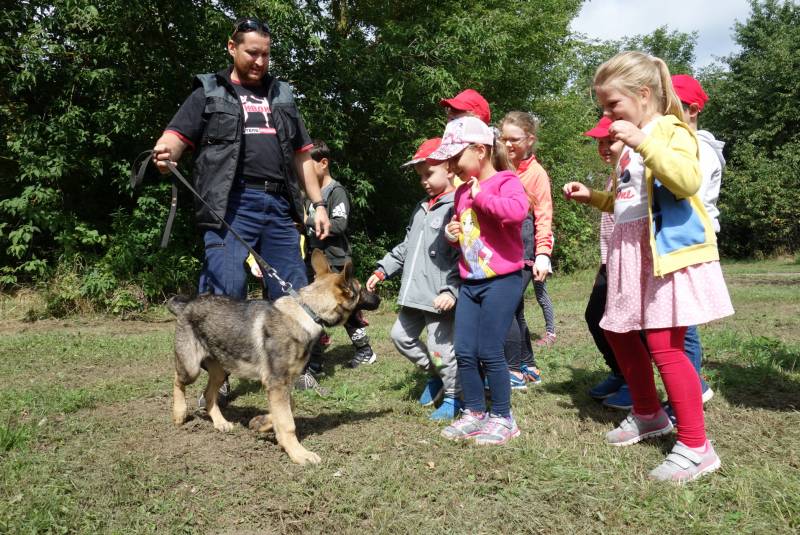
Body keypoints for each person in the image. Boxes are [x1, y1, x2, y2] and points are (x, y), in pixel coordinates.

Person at [563, 51, 734, 482]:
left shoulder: (668, 130)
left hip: (661, 255)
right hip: (628, 250)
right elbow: (629, 203)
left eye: (612, 104)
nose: (606, 114)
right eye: (602, 105)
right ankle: (648, 414)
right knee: (616, 330)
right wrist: (593, 197)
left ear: (643, 94)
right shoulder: (631, 142)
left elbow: (686, 180)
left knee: (664, 343)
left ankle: (697, 446)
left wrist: (643, 142)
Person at [152, 18, 330, 408]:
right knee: (224, 291)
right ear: (232, 48)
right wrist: (167, 153)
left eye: (266, 53)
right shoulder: (209, 91)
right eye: (252, 52)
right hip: (230, 205)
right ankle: (221, 377)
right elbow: (176, 135)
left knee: (293, 291)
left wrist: (317, 204)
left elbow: (303, 156)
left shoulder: (281, 95)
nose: (260, 61)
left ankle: (297, 370)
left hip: (281, 205)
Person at [432, 117, 529, 445]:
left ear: (481, 150)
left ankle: (503, 417)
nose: (451, 165)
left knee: (490, 350)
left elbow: (516, 214)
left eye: (456, 157)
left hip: (503, 281)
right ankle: (475, 413)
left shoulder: (505, 182)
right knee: (464, 349)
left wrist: (480, 197)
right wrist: (452, 234)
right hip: (470, 283)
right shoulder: (460, 193)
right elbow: (469, 234)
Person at [366, 138, 463, 419]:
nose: (423, 180)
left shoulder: (457, 206)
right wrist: (382, 269)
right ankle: (434, 375)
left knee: (439, 347)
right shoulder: (422, 207)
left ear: (450, 169)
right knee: (400, 337)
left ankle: (456, 396)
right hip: (414, 293)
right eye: (420, 175)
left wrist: (453, 291)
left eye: (429, 173)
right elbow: (406, 247)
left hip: (440, 296)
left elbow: (465, 256)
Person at [299, 139, 377, 371]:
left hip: (336, 258)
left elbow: (340, 224)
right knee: (315, 307)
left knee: (349, 308)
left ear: (324, 163)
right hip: (316, 259)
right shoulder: (309, 194)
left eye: (308, 164)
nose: (303, 169)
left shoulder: (336, 191)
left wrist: (307, 220)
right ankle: (314, 360)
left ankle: (365, 349)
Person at [581, 117, 629, 405]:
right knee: (595, 316)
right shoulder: (616, 174)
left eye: (610, 141)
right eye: (600, 142)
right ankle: (621, 373)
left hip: (631, 261)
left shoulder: (635, 171)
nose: (603, 147)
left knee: (628, 326)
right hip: (610, 260)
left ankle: (637, 384)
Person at [499, 112, 557, 347]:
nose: (508, 144)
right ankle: (527, 366)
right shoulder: (498, 165)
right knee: (515, 308)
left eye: (515, 139)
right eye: (504, 138)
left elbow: (543, 216)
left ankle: (514, 366)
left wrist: (542, 255)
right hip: (499, 246)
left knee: (507, 306)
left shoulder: (536, 174)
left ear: (530, 140)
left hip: (525, 248)